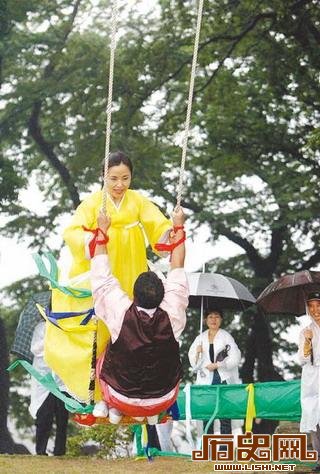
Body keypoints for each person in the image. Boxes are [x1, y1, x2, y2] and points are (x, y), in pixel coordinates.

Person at [90, 206, 188, 424]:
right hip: (163, 397)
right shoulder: (173, 312)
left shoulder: (120, 311)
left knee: (105, 348)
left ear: (133, 295)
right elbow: (178, 267)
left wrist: (102, 230)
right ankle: (147, 411)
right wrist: (179, 226)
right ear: (163, 294)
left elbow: (100, 275)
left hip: (120, 394)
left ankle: (110, 404)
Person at [63, 151, 172, 297]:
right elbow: (72, 232)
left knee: (131, 299)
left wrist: (168, 233)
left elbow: (156, 221)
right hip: (105, 258)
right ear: (104, 176)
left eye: (125, 178)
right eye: (113, 179)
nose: (120, 184)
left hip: (133, 259)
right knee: (106, 299)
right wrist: (96, 236)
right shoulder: (92, 203)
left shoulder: (137, 199)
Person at [188, 310, 242, 436]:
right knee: (207, 415)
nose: (213, 320)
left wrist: (218, 365)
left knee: (224, 415)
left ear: (221, 320)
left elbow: (236, 357)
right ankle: (208, 449)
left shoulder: (226, 336)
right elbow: (193, 362)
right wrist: (197, 352)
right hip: (206, 380)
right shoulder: (200, 338)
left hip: (223, 379)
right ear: (205, 320)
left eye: (217, 317)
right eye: (210, 317)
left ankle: (225, 449)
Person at [30, 321, 69, 456]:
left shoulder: (66, 327)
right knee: (44, 418)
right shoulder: (40, 327)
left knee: (62, 418)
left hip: (61, 381)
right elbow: (35, 349)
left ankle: (60, 451)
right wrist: (50, 337)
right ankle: (40, 451)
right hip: (44, 381)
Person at [298, 291, 320, 472]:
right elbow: (302, 359)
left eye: (318, 305)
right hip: (311, 378)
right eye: (311, 306)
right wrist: (307, 342)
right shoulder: (306, 331)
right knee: (314, 418)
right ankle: (319, 458)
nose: (315, 310)